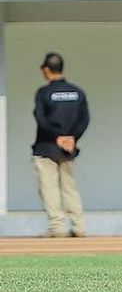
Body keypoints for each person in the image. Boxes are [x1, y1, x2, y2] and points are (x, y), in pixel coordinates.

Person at [31, 53, 89, 238]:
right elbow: (84, 119)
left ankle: (57, 227)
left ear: (46, 70)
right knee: (69, 187)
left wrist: (57, 137)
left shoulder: (43, 93)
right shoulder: (77, 92)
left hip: (46, 147)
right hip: (68, 149)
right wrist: (72, 138)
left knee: (49, 187)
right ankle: (79, 226)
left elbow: (41, 119)